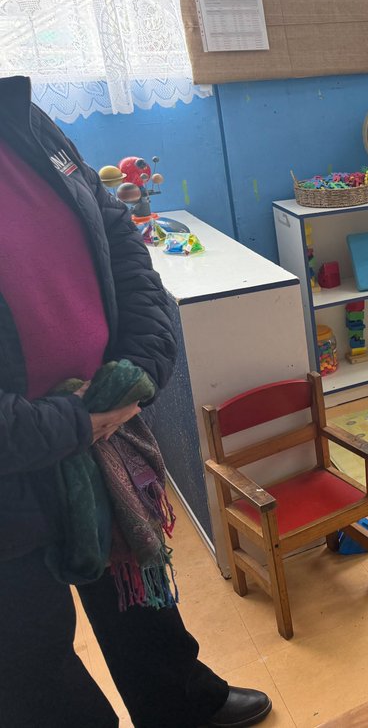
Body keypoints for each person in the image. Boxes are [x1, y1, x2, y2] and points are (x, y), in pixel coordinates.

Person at [0, 76, 272, 727]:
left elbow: (117, 236)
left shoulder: (24, 119)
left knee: (138, 596)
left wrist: (142, 362)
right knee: (27, 661)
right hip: (20, 462)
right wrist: (70, 422)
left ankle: (183, 707)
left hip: (102, 430)